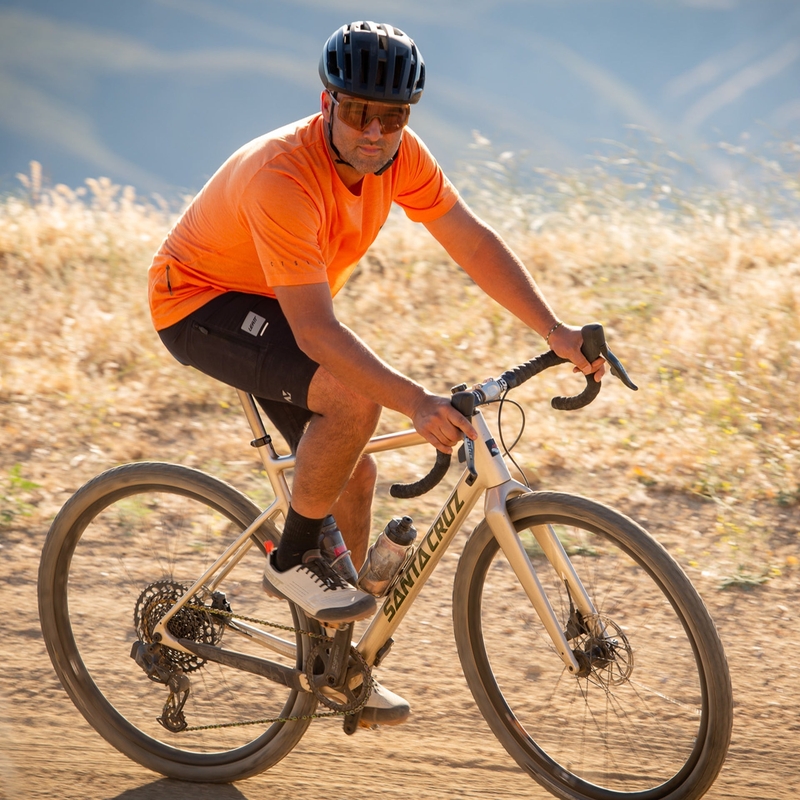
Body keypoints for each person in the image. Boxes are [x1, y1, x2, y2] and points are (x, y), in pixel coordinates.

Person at [148, 20, 605, 727]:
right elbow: (316, 333)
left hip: (279, 302)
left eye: (392, 117)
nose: (375, 131)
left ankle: (336, 665)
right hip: (201, 302)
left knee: (353, 474)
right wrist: (417, 401)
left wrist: (556, 332)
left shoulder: (401, 158)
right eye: (360, 110)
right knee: (355, 402)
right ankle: (291, 559)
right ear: (326, 102)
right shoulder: (283, 176)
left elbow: (472, 243)